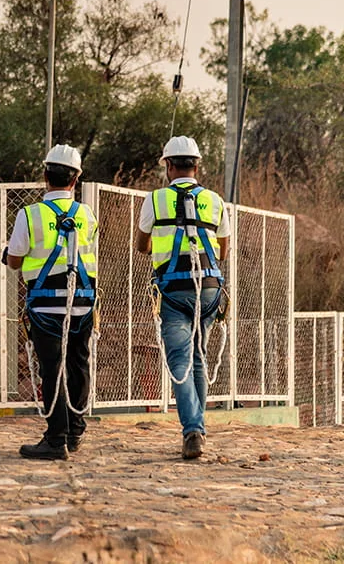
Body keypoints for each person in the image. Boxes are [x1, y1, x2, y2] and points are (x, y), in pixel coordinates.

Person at [135, 136, 230, 459]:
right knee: (198, 357)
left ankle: (193, 430)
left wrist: (163, 240)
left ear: (168, 166)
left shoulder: (155, 199)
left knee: (180, 360)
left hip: (174, 290)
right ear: (197, 167)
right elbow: (223, 250)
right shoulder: (215, 201)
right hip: (209, 289)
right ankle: (198, 427)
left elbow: (142, 245)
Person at [4, 144, 98, 461]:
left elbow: (15, 260)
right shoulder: (87, 215)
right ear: (76, 178)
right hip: (82, 302)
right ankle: (75, 431)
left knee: (52, 368)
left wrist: (10, 255)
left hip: (45, 306)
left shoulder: (29, 215)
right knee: (78, 364)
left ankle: (56, 439)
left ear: (45, 175)